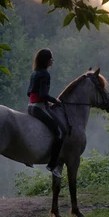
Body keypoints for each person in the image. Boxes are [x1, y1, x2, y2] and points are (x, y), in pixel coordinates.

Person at [27, 48, 66, 178]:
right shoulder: (45, 74)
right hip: (39, 107)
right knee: (60, 132)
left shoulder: (35, 73)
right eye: (51, 58)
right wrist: (55, 100)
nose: (52, 61)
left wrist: (45, 101)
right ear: (47, 60)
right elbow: (43, 94)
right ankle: (53, 165)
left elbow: (30, 93)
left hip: (31, 106)